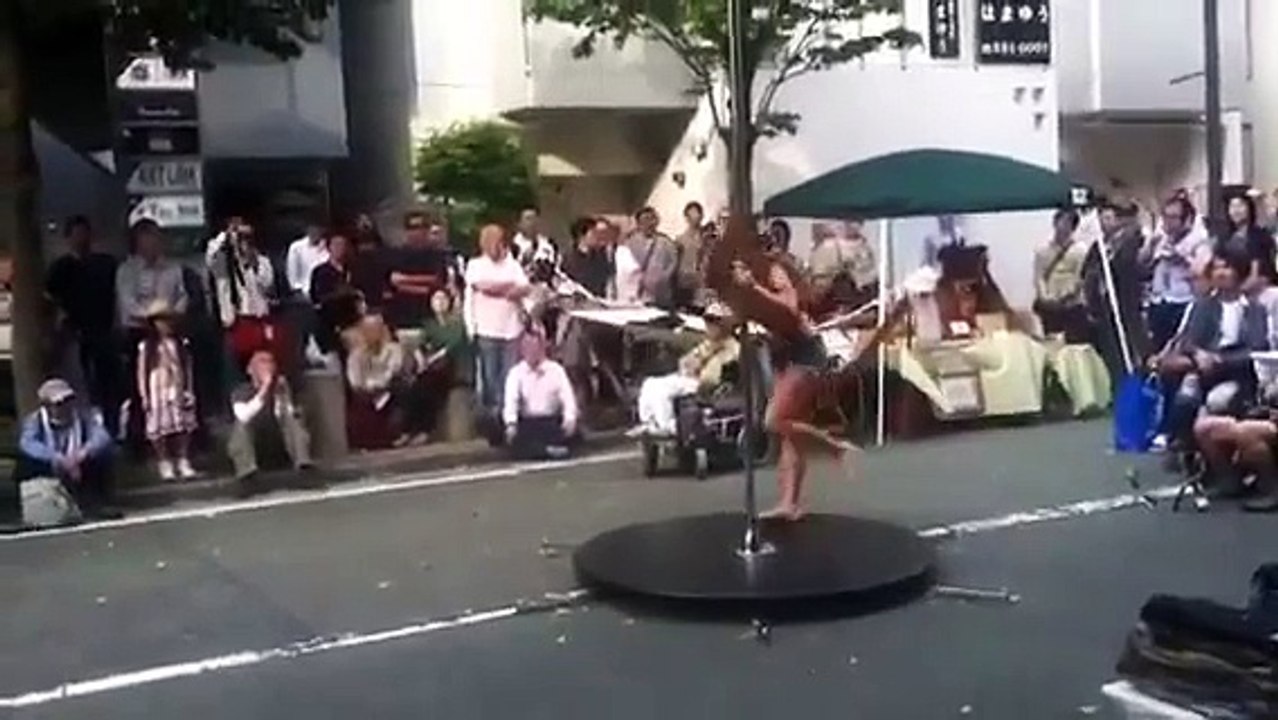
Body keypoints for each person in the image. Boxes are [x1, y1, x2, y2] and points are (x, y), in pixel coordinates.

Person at [709, 216, 907, 522]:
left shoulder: (770, 268)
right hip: (780, 352)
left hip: (804, 350)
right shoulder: (738, 273)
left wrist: (754, 290)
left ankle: (836, 448)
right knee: (789, 430)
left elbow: (789, 307)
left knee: (775, 420)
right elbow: (745, 315)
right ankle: (790, 503)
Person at [1155, 252, 1268, 451]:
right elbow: (1189, 340)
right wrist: (1199, 354)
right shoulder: (1203, 306)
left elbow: (1256, 348)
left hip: (1237, 373)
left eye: (1226, 268)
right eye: (1216, 268)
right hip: (1202, 368)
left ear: (1238, 272)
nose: (1220, 273)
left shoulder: (1254, 309)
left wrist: (1219, 360)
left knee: (1219, 401)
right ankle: (1185, 450)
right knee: (1185, 399)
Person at [45, 216, 120, 420]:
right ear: (68, 238)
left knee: (108, 384)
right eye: (76, 235)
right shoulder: (60, 269)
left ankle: (110, 424)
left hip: (104, 331)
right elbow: (51, 300)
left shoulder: (106, 264)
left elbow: (117, 295)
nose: (81, 239)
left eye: (84, 234)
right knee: (79, 383)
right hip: (74, 335)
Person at [16, 379, 120, 520]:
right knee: (26, 462)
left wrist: (82, 453)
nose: (65, 406)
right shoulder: (35, 421)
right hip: (51, 465)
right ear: (47, 406)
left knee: (105, 454)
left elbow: (102, 436)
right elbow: (27, 443)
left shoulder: (84, 416)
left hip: (79, 463)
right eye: (59, 403)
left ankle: (99, 503)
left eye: (69, 400)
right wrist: (57, 459)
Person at [632, 303, 740, 436]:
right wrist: (691, 364)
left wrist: (697, 369)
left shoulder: (732, 347)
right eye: (708, 320)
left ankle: (668, 427)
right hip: (692, 378)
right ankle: (649, 422)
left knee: (663, 390)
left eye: (713, 321)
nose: (709, 325)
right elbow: (686, 361)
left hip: (707, 386)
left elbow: (712, 377)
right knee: (650, 383)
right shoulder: (709, 344)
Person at [464, 224, 531, 421]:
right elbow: (483, 286)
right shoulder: (475, 265)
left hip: (512, 328)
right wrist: (509, 287)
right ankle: (493, 414)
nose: (496, 245)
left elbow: (525, 288)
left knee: (510, 375)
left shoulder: (513, 265)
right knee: (490, 375)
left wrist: (504, 289)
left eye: (498, 241)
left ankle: (507, 413)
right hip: (486, 329)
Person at [1083, 200, 1149, 386]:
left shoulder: (1131, 240)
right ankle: (1117, 381)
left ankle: (1138, 379)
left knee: (1133, 340)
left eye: (1109, 218)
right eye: (1102, 218)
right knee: (1110, 345)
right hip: (1104, 303)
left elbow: (1130, 265)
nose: (1105, 222)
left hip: (1126, 299)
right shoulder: (1099, 245)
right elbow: (1088, 271)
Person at [135, 300, 199, 480]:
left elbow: (187, 367)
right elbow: (142, 372)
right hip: (157, 388)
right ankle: (164, 461)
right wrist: (143, 394)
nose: (165, 324)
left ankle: (183, 458)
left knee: (182, 425)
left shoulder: (180, 343)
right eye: (161, 321)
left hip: (177, 385)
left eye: (168, 320)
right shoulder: (147, 346)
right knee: (158, 429)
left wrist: (189, 388)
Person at [206, 220, 281, 372]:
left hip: (259, 321)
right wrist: (227, 235)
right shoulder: (223, 262)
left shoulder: (262, 261)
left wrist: (253, 263)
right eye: (241, 238)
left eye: (247, 238)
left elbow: (268, 284)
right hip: (235, 322)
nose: (244, 242)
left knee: (265, 367)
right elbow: (211, 255)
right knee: (236, 372)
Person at [228, 351, 312, 482]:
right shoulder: (240, 391)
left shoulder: (280, 388)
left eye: (270, 362)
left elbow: (288, 416)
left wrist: (284, 396)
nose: (268, 366)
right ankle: (247, 473)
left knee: (294, 420)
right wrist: (264, 388)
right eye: (262, 361)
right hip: (255, 441)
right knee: (240, 426)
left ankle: (303, 465)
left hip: (278, 438)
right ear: (250, 369)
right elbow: (244, 415)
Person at [1142, 196, 1211, 352]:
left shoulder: (1199, 240)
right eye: (1165, 216)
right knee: (1157, 348)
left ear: (1187, 219)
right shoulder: (1161, 238)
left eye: (1173, 217)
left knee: (1178, 349)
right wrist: (1150, 247)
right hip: (1159, 300)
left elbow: (1202, 271)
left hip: (1183, 301)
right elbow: (1142, 266)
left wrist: (1181, 257)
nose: (1168, 222)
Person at [503, 332, 580, 459]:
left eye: (534, 347)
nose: (531, 351)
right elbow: (511, 401)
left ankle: (544, 450)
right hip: (528, 422)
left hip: (551, 421)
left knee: (573, 435)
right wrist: (511, 423)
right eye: (527, 347)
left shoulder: (556, 370)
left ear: (542, 348)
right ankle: (547, 451)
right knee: (515, 442)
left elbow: (568, 398)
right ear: (522, 350)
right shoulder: (516, 373)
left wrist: (569, 419)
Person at [346, 313, 417, 449]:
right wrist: (366, 386)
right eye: (367, 329)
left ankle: (397, 434)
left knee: (401, 389)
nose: (371, 333)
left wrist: (376, 384)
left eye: (374, 329)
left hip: (390, 391)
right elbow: (354, 379)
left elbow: (393, 370)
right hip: (366, 394)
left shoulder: (393, 349)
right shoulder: (356, 354)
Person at [417, 288, 472, 436]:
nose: (440, 303)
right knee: (420, 386)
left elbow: (453, 346)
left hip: (454, 366)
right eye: (436, 299)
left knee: (430, 382)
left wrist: (435, 357)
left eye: (443, 299)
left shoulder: (458, 324)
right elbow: (421, 345)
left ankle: (424, 430)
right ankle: (411, 430)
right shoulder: (428, 324)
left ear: (449, 302)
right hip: (433, 368)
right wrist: (422, 359)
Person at [1032, 208, 1091, 342]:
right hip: (1049, 306)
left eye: (1067, 223)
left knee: (1073, 342)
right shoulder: (1042, 250)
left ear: (1073, 227)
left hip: (1071, 305)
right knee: (1051, 340)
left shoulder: (1080, 250)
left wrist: (1066, 296)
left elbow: (1080, 277)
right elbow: (1039, 276)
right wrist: (1044, 296)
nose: (1062, 226)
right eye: (1060, 221)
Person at [387, 210, 449, 329]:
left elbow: (436, 280)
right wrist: (423, 284)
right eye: (413, 228)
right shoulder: (395, 254)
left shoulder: (437, 255)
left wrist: (405, 280)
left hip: (429, 317)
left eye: (422, 227)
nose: (417, 232)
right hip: (401, 314)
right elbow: (392, 281)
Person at [309, 229, 363, 359]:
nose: (340, 249)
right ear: (329, 248)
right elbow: (317, 297)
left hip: (352, 323)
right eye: (336, 245)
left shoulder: (352, 270)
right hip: (331, 326)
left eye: (343, 245)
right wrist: (342, 294)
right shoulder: (321, 272)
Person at [624, 206, 679, 309]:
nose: (648, 223)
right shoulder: (631, 242)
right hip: (638, 294)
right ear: (638, 223)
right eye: (644, 220)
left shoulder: (666, 242)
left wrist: (663, 278)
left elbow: (673, 263)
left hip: (660, 295)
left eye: (651, 219)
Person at [561, 216, 613, 299]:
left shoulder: (601, 257)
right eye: (594, 233)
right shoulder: (568, 258)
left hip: (598, 303)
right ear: (582, 235)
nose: (597, 237)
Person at [675, 202, 707, 307]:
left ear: (702, 216)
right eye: (691, 216)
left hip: (702, 284)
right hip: (685, 283)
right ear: (686, 218)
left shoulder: (708, 237)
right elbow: (676, 262)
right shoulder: (680, 239)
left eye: (697, 215)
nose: (694, 219)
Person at [285, 223, 329, 298]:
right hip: (304, 294)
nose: (315, 231)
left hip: (325, 293)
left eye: (318, 228)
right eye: (313, 228)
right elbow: (292, 277)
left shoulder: (328, 248)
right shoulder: (296, 247)